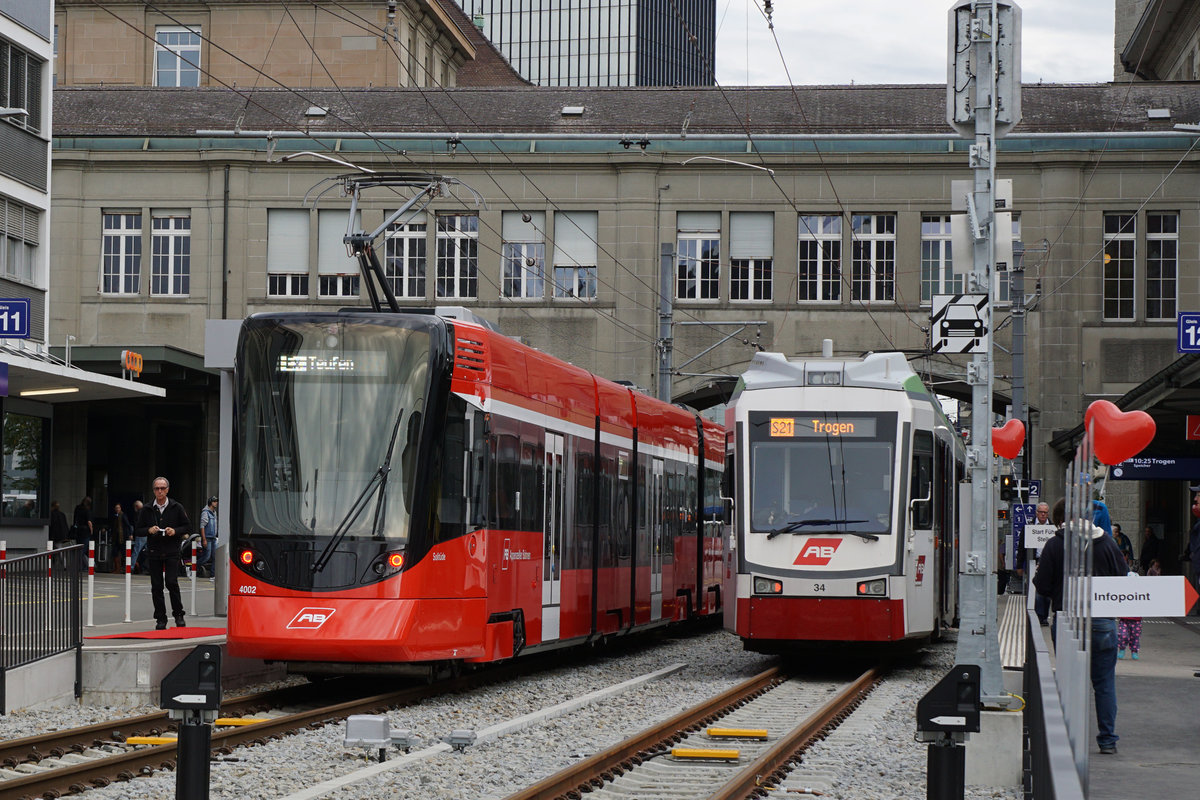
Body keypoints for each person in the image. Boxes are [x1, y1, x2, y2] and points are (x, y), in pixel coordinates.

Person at [1033, 498, 1125, 754]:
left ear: (1060, 520)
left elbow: (1042, 586)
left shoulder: (1055, 544)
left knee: (1069, 681)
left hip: (1068, 620)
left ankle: (1068, 737)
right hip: (1103, 621)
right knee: (1104, 684)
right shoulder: (1107, 543)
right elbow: (1123, 578)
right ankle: (1108, 740)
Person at [135, 477, 191, 630]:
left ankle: (178, 615)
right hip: (154, 551)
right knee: (156, 586)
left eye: (162, 488)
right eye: (157, 488)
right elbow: (138, 530)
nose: (159, 491)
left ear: (167, 490)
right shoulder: (147, 509)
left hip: (172, 550)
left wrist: (175, 531)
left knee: (172, 582)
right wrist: (148, 530)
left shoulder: (176, 507)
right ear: (153, 490)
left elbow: (187, 526)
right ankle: (161, 618)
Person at [1031, 502, 1052, 625]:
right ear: (1036, 513)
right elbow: (1023, 546)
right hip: (1035, 561)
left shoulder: (1053, 527)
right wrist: (1019, 565)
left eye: (1045, 512)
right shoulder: (1030, 526)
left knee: (1047, 590)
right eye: (1041, 512)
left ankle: (1044, 615)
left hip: (1048, 563)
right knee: (1036, 589)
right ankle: (1039, 615)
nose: (1043, 514)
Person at [198, 496, 218, 579]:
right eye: (214, 501)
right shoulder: (205, 512)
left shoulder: (214, 512)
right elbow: (202, 526)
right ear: (210, 502)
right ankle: (193, 568)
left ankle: (213, 575)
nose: (216, 503)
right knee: (206, 556)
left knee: (215, 557)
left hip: (213, 538)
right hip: (207, 538)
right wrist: (204, 539)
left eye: (216, 501)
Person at [110, 503, 134, 572]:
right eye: (116, 508)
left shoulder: (123, 516)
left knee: (124, 553)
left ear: (120, 508)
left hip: (123, 537)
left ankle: (133, 566)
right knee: (115, 552)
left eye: (118, 508)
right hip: (116, 538)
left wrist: (130, 534)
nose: (117, 509)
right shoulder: (115, 516)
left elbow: (128, 525)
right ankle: (117, 568)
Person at [129, 500, 147, 573]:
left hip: (141, 534)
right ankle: (146, 567)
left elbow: (136, 524)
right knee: (149, 551)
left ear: (136, 506)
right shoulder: (146, 511)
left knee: (136, 551)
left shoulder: (138, 513)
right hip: (147, 533)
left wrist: (133, 533)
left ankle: (131, 567)